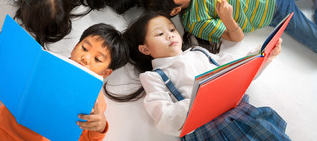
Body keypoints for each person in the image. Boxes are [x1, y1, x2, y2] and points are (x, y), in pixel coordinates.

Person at [106, 12, 290, 140]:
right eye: (160, 34)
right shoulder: (154, 76)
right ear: (145, 49)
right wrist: (199, 100)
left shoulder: (201, 52)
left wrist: (264, 55)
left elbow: (239, 69)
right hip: (210, 131)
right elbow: (163, 118)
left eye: (171, 30)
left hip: (243, 113)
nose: (170, 36)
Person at [0, 23, 130, 141]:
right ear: (75, 46)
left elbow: (83, 138)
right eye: (84, 48)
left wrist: (100, 127)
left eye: (97, 59)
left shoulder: (95, 100)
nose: (86, 58)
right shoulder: (42, 65)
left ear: (106, 72)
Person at [137, 0, 317, 53]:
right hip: (274, 11)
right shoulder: (196, 21)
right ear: (176, 9)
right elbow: (236, 37)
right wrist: (227, 18)